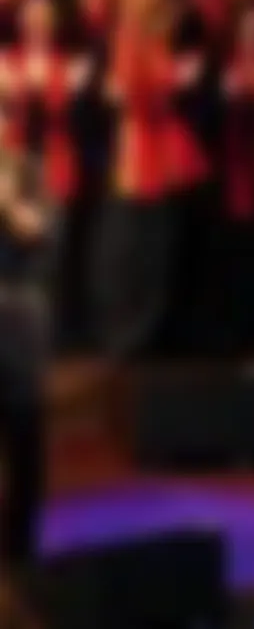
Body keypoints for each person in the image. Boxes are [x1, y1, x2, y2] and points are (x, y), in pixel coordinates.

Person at [0, 132, 58, 571]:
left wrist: (7, 201)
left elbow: (41, 231)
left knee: (25, 443)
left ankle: (23, 549)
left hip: (18, 324)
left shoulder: (26, 170)